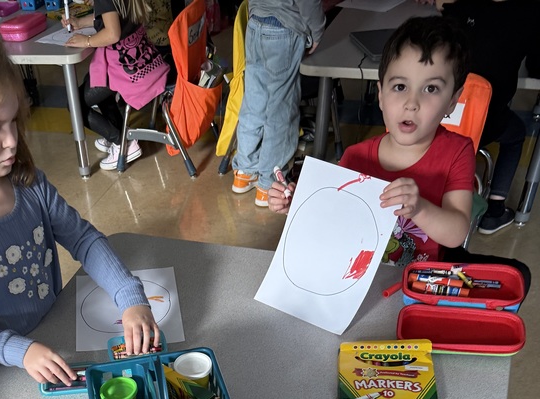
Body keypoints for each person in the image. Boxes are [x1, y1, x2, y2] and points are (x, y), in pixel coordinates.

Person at [0, 29, 160, 387]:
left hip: (55, 329)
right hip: (8, 366)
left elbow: (84, 239)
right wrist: (22, 351)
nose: (12, 141)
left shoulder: (28, 182)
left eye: (14, 122)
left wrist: (130, 297)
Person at [269, 16, 474, 265]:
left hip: (420, 285)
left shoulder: (457, 151)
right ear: (380, 94)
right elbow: (334, 219)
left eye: (430, 89)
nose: (411, 103)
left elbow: (456, 233)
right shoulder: (355, 157)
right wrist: (296, 205)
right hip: (358, 279)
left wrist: (420, 208)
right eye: (400, 87)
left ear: (452, 101)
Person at [431, 0, 540, 234]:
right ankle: (495, 210)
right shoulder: (530, 12)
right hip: (485, 123)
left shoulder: (460, 6)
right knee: (516, 134)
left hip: (436, 116)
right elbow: (537, 66)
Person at [231, 0, 325, 209]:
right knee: (280, 110)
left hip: (255, 24)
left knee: (254, 101)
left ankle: (244, 171)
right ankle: (268, 184)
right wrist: (318, 33)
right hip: (284, 28)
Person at [63, 0, 169, 170]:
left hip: (126, 69)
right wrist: (79, 22)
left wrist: (87, 41)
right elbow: (110, 16)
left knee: (75, 104)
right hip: (144, 61)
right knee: (94, 81)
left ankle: (122, 143)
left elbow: (112, 34)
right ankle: (117, 132)